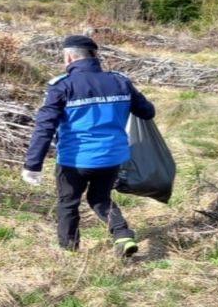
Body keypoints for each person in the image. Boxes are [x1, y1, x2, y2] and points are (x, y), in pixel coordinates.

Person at [22, 35, 156, 256]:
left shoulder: (62, 86)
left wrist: (32, 165)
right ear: (95, 55)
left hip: (75, 160)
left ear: (68, 57)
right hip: (112, 157)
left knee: (68, 203)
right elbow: (147, 112)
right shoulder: (120, 81)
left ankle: (69, 250)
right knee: (100, 198)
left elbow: (45, 127)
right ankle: (122, 234)